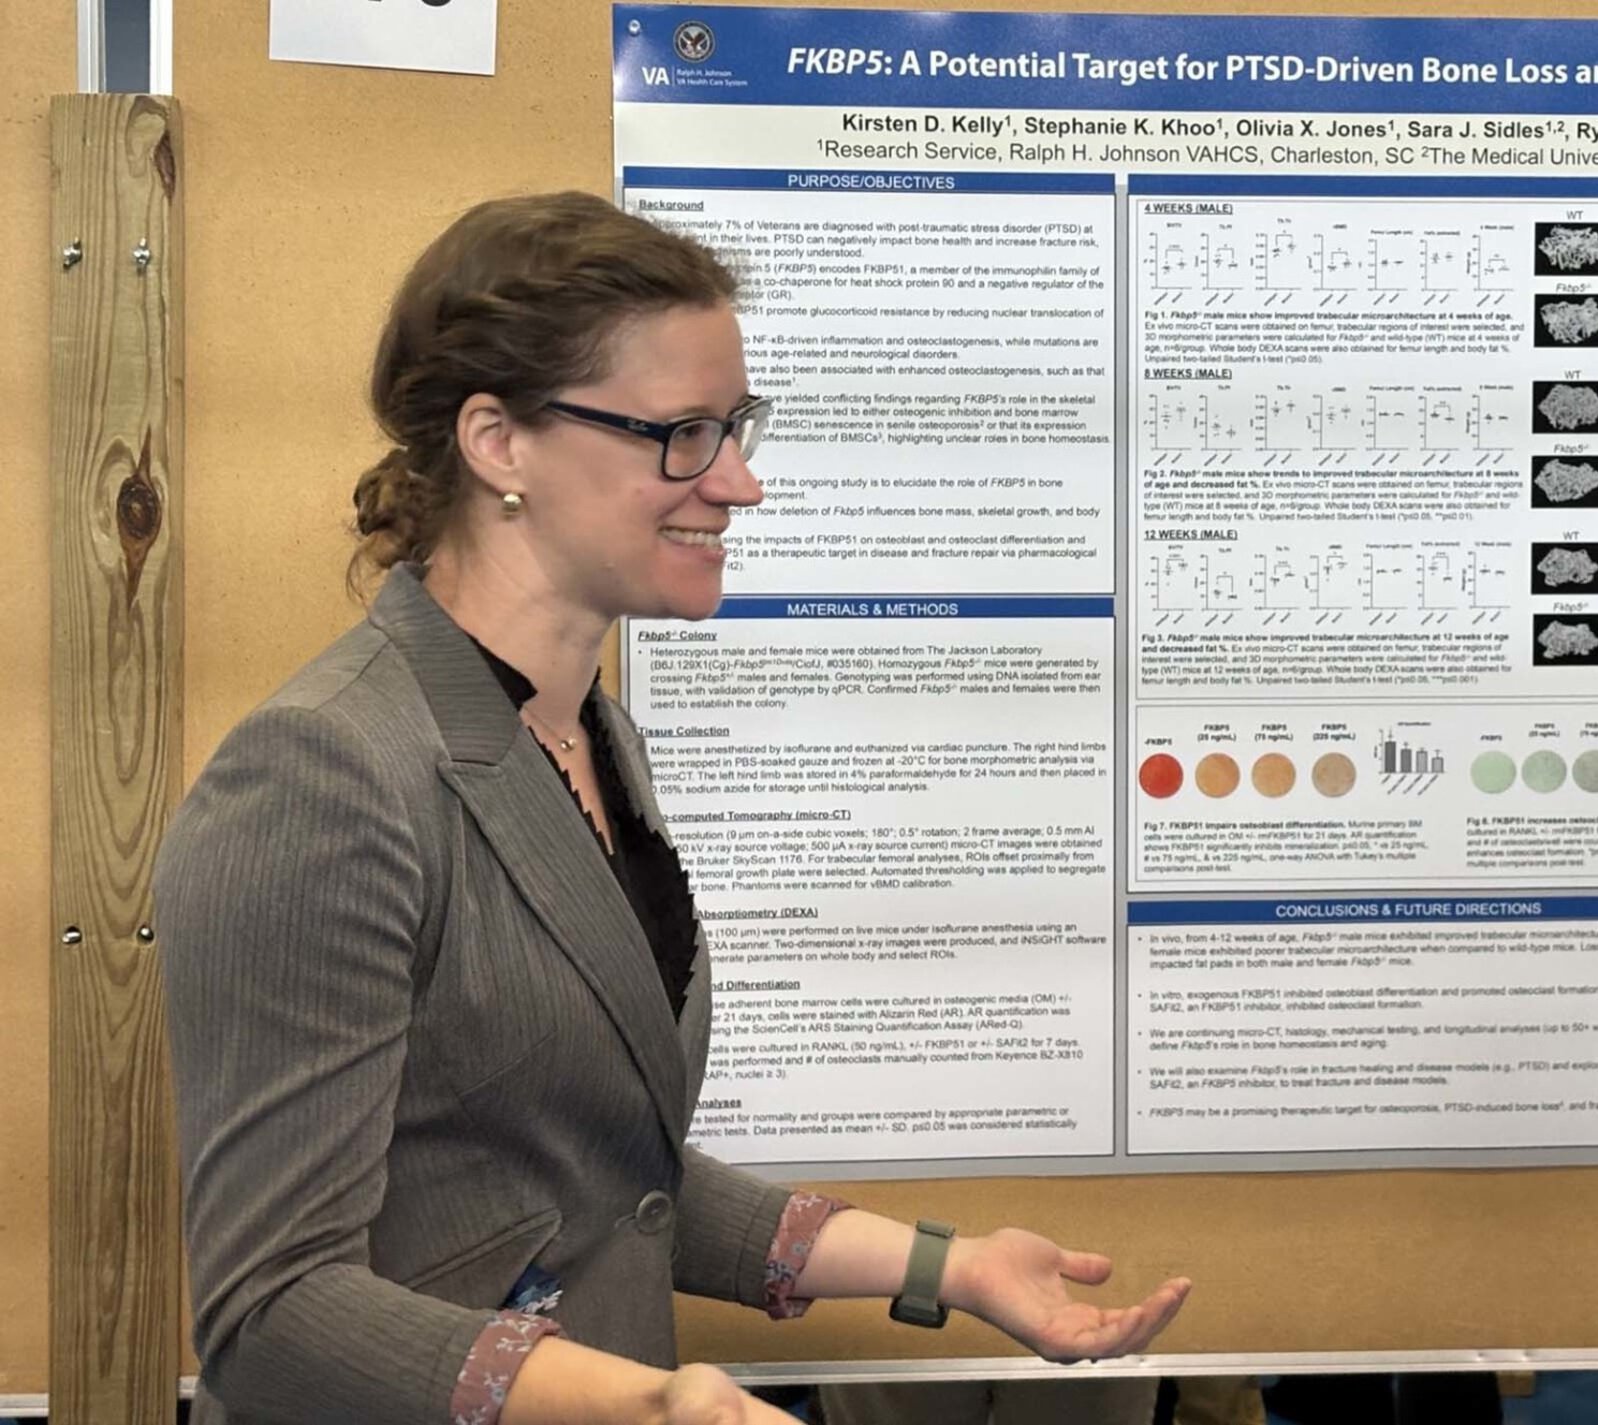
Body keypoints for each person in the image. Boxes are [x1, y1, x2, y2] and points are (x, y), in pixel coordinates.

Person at [154, 191, 1188, 1425]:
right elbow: (272, 1314)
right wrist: (647, 1404)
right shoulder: (321, 775)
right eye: (683, 434)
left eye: (734, 428)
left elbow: (595, 1175)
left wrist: (946, 1268)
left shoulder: (586, 732)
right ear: (498, 443)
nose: (738, 482)